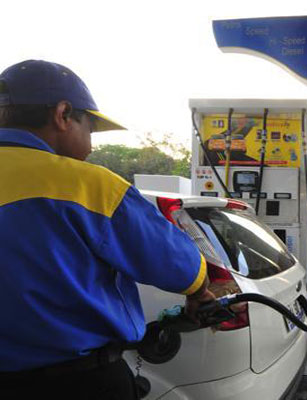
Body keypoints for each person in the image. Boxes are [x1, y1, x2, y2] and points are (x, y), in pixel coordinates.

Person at [0, 60, 215, 399]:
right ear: (63, 114)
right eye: (89, 129)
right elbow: (179, 264)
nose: (90, 146)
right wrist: (200, 293)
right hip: (81, 383)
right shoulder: (86, 184)